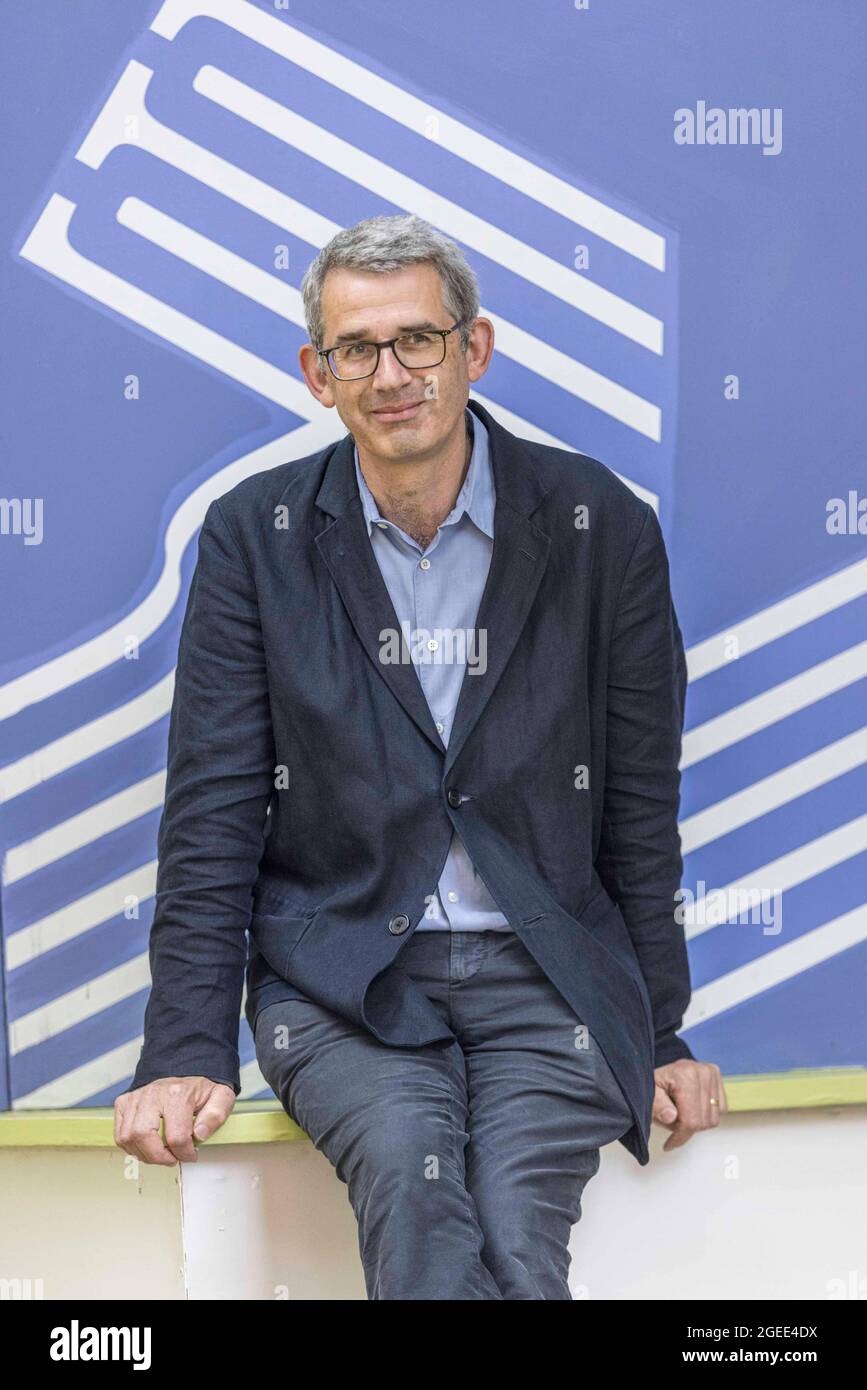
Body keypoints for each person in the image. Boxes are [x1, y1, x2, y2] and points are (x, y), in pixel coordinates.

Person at [115, 212, 726, 1300]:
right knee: (410, 1175)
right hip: (342, 980)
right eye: (358, 348)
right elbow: (212, 810)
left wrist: (664, 1026)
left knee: (510, 1218)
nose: (391, 373)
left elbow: (639, 807)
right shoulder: (253, 538)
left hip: (551, 978)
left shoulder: (601, 526)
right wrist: (183, 1049)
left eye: (419, 340)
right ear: (319, 373)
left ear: (473, 348)